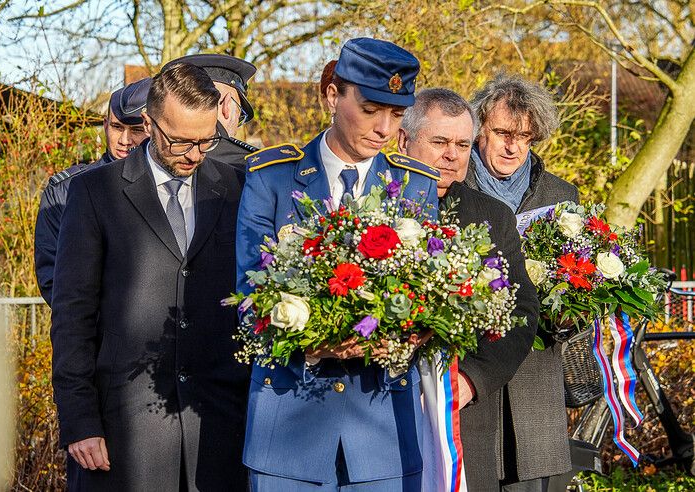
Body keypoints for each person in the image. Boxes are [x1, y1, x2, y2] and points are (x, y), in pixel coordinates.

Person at [236, 37, 439, 491]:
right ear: (333, 95)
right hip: (288, 436)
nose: (385, 128)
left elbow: (429, 297)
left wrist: (416, 332)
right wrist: (311, 346)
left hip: (383, 438)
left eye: (397, 114)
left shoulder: (415, 184)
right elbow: (247, 303)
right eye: (370, 109)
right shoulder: (271, 177)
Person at [51, 63, 249, 491]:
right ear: (148, 122)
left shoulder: (238, 188)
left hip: (218, 429)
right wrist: (79, 419)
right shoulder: (94, 193)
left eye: (206, 139)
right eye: (180, 141)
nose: (194, 154)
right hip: (126, 435)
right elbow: (72, 316)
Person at [398, 88, 539, 491]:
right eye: (439, 142)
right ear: (405, 141)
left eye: (462, 144)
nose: (452, 155)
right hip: (380, 414)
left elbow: (521, 310)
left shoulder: (492, 216)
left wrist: (473, 379)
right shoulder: (370, 206)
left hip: (463, 416)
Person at [452, 75, 577, 491]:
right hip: (472, 381)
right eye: (503, 133)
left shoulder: (562, 196)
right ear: (478, 128)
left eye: (525, 137)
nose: (513, 147)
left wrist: (570, 312)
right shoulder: (450, 186)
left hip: (537, 386)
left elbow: (582, 284)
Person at [34, 77, 151, 305]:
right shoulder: (64, 189)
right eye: (117, 127)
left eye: (135, 130)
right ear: (106, 125)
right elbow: (52, 278)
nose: (124, 140)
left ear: (150, 128)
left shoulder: (169, 185)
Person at [162, 54, 259, 168]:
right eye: (239, 116)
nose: (237, 128)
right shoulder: (249, 164)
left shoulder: (153, 151)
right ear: (226, 105)